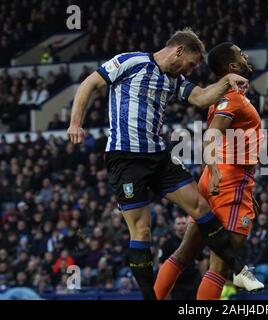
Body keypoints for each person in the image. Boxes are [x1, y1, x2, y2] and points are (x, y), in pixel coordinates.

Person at [67, 29, 257, 300]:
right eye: (191, 63)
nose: (190, 70)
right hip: (125, 158)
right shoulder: (130, 62)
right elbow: (89, 83)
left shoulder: (174, 80)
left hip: (159, 157)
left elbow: (201, 97)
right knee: (142, 229)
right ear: (179, 50)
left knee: (202, 207)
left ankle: (239, 269)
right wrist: (76, 122)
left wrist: (228, 80)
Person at [154, 42, 264, 300]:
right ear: (233, 66)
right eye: (241, 53)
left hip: (223, 179)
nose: (246, 55)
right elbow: (212, 135)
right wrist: (216, 172)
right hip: (229, 181)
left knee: (184, 253)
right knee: (220, 266)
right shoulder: (233, 98)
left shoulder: (227, 95)